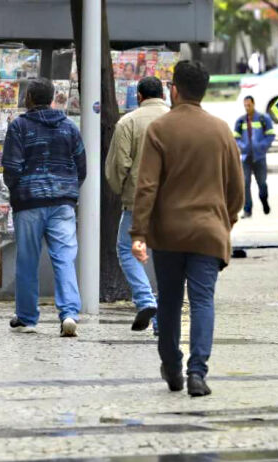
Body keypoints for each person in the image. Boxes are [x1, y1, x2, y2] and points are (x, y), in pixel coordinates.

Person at [131, 61, 244, 397]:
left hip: (168, 233)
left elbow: (147, 185)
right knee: (202, 301)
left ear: (173, 89)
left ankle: (171, 365)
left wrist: (139, 233)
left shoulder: (161, 130)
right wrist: (227, 222)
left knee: (168, 301)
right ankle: (198, 372)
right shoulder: (221, 130)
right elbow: (236, 189)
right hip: (209, 232)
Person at [2, 78, 86, 337]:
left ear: (28, 98)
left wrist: (17, 191)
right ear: (52, 99)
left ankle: (27, 317)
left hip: (29, 202)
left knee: (28, 260)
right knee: (64, 258)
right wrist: (69, 191)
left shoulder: (19, 127)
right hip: (62, 203)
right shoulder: (69, 128)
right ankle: (69, 313)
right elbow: (81, 166)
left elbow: (12, 167)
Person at [105, 76, 169, 334]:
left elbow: (118, 166)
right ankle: (162, 319)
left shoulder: (127, 122)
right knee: (168, 259)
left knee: (127, 249)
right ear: (163, 95)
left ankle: (145, 300)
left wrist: (124, 192)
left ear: (139, 96)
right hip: (173, 202)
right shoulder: (176, 121)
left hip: (139, 202)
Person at [234, 96, 275, 217]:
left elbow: (270, 135)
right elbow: (236, 137)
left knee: (262, 183)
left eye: (249, 105)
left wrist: (262, 146)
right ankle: (247, 209)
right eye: (245, 105)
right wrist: (242, 146)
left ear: (253, 104)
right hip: (246, 157)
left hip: (259, 157)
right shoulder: (241, 121)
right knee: (245, 183)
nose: (247, 108)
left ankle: (264, 200)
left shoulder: (263, 119)